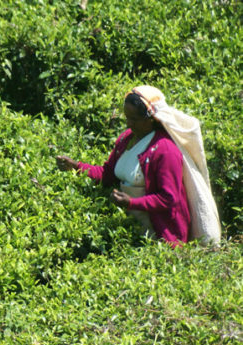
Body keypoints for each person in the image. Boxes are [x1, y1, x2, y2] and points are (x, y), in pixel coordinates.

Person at [56, 86, 195, 246]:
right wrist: (76, 166)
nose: (129, 124)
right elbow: (106, 174)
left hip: (160, 232)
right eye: (127, 117)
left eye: (134, 119)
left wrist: (131, 202)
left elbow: (168, 198)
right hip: (129, 224)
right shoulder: (126, 139)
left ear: (150, 118)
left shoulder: (165, 149)